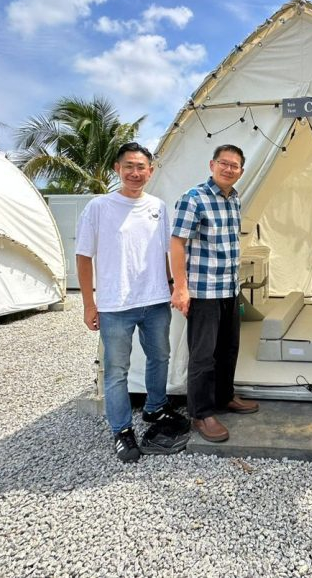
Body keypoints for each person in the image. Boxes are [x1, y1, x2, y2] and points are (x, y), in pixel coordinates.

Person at [75, 142, 190, 463]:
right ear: (117, 169)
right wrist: (89, 304)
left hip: (154, 300)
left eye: (141, 167)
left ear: (151, 171)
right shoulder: (98, 207)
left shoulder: (158, 207)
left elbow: (168, 250)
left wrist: (171, 284)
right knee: (116, 371)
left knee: (159, 357)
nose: (135, 173)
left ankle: (155, 408)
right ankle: (122, 430)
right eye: (129, 166)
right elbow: (83, 258)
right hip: (115, 305)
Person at [170, 145, 259, 443]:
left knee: (228, 349)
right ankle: (200, 413)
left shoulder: (234, 199)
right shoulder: (193, 199)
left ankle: (225, 397)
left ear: (241, 171)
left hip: (229, 289)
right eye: (224, 163)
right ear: (212, 164)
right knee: (203, 355)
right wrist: (180, 287)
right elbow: (177, 243)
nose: (229, 169)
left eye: (235, 166)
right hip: (204, 291)